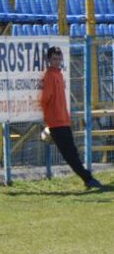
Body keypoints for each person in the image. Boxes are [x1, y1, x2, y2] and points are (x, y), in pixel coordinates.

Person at [39, 46, 103, 189]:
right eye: (54, 59)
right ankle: (88, 179)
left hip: (63, 121)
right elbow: (45, 99)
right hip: (55, 123)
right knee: (70, 155)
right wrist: (47, 121)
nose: (56, 61)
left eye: (58, 59)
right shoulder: (49, 76)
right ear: (49, 60)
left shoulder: (59, 74)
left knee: (72, 153)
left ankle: (87, 178)